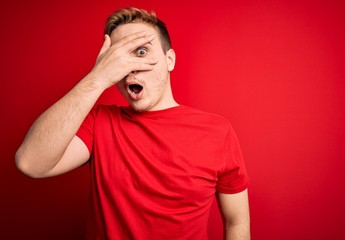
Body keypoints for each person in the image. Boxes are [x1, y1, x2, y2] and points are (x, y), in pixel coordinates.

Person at [15, 7, 250, 240]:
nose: (129, 67)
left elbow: (236, 221)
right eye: (118, 58)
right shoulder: (99, 122)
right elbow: (30, 163)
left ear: (169, 60)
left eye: (141, 52)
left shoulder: (217, 131)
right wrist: (98, 77)